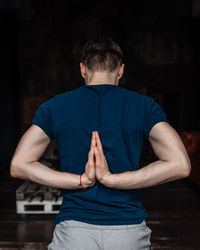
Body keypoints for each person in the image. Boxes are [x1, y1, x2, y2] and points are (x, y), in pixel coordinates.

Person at [10, 37, 191, 250]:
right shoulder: (144, 106)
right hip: (127, 231)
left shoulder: (55, 107)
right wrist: (113, 180)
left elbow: (19, 165)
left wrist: (81, 180)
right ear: (121, 70)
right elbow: (180, 164)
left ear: (83, 69)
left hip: (74, 232)